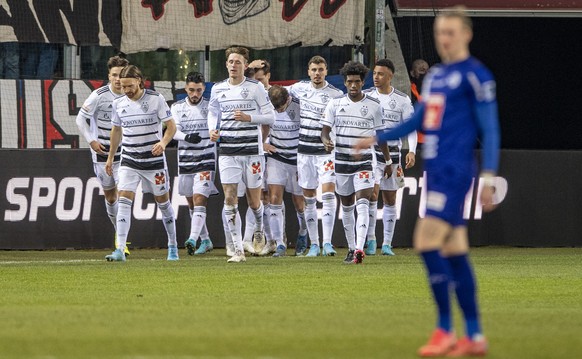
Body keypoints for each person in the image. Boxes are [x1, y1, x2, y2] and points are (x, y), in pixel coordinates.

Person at [355, 7, 499, 356]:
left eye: (450, 32)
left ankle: (445, 329)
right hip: (435, 172)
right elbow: (417, 120)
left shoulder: (475, 75)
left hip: (454, 171)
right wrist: (378, 137)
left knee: (425, 240)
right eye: (439, 33)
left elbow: (490, 128)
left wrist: (490, 174)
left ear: (466, 34)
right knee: (454, 249)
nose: (444, 39)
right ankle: (475, 335)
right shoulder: (435, 78)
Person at [208, 46, 276, 263]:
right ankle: (237, 249)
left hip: (252, 151)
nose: (234, 65)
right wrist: (212, 128)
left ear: (245, 66)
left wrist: (250, 118)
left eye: (238, 62)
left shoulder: (255, 88)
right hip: (227, 149)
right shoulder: (218, 89)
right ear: (226, 65)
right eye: (231, 62)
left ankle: (258, 227)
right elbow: (212, 111)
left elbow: (270, 117)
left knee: (254, 202)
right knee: (229, 197)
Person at [104, 65, 179, 261]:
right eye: (123, 86)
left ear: (139, 80)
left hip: (153, 161)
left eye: (130, 86)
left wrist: (163, 143)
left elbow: (171, 126)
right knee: (124, 200)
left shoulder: (156, 99)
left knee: (163, 204)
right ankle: (120, 249)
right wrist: (111, 157)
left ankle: (172, 245)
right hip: (129, 160)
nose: (127, 90)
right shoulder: (119, 103)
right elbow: (116, 131)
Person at [321, 61, 388, 264]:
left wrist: (389, 160)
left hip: (365, 162)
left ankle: (359, 249)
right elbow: (324, 130)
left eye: (357, 82)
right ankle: (351, 248)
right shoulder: (335, 104)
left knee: (363, 203)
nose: (353, 85)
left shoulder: (374, 106)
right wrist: (326, 141)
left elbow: (381, 135)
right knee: (347, 205)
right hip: (341, 162)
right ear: (344, 82)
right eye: (349, 82)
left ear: (362, 82)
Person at [288, 55, 343, 257]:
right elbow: (275, 93)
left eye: (320, 69)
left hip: (325, 152)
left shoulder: (336, 95)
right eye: (313, 70)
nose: (317, 73)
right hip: (304, 151)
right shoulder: (298, 88)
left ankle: (327, 243)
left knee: (328, 194)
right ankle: (314, 244)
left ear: (326, 71)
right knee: (309, 198)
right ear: (308, 71)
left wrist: (333, 140)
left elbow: (339, 122)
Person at [75, 55, 130, 256]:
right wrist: (91, 140)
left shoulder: (131, 95)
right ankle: (119, 233)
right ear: (109, 76)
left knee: (124, 194)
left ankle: (121, 242)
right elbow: (81, 119)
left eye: (121, 75)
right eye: (114, 75)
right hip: (102, 153)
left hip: (124, 154)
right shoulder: (99, 95)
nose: (117, 79)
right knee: (111, 196)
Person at [363, 59, 417, 256]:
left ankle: (387, 243)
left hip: (393, 154)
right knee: (371, 194)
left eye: (380, 74)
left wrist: (412, 150)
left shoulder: (402, 100)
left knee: (390, 198)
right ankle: (370, 239)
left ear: (390, 76)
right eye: (375, 73)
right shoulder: (366, 96)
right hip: (371, 154)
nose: (376, 77)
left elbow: (411, 128)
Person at [171, 72, 217, 255]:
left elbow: (216, 126)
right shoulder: (176, 107)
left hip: (206, 159)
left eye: (198, 90)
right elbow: (174, 131)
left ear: (204, 89)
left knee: (200, 200)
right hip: (185, 160)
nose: (195, 94)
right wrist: (187, 136)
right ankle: (205, 240)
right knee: (191, 203)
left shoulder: (211, 107)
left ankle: (192, 239)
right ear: (186, 89)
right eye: (191, 90)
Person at [262, 85, 308, 257]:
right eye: (276, 108)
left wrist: (303, 160)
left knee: (299, 203)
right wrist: (262, 143)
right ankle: (279, 243)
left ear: (288, 99)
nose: (278, 110)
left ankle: (303, 233)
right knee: (274, 198)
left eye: (281, 107)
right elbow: (262, 126)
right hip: (277, 156)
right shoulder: (267, 107)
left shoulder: (300, 106)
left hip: (297, 159)